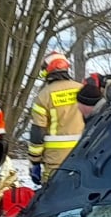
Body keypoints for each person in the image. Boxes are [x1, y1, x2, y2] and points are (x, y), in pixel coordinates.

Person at [28, 52, 85, 183]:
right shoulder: (82, 89)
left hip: (56, 160)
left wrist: (35, 161)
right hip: (83, 154)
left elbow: (37, 133)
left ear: (47, 71)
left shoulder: (43, 96)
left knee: (53, 197)